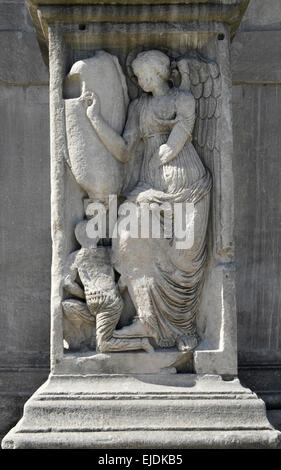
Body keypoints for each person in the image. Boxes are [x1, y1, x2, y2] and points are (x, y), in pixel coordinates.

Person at [81, 50, 211, 352]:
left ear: (155, 73)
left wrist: (173, 146)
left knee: (184, 261)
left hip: (189, 187)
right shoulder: (139, 107)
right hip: (150, 187)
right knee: (127, 239)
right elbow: (125, 150)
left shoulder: (183, 98)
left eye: (141, 74)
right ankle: (147, 318)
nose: (138, 80)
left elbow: (184, 126)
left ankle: (183, 327)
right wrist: (94, 117)